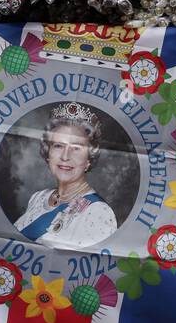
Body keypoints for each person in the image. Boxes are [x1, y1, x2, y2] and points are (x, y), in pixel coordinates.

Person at [14, 102, 118, 248]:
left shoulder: (99, 213)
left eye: (76, 148)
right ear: (48, 152)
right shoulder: (38, 198)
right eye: (58, 146)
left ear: (89, 159)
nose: (65, 156)